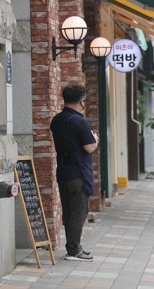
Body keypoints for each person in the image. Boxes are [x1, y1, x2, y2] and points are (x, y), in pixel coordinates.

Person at [50, 85, 99, 262]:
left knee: (69, 211)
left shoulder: (57, 120)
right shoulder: (80, 121)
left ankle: (74, 247)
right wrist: (95, 140)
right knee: (79, 212)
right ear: (82, 100)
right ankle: (73, 250)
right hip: (78, 173)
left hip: (63, 171)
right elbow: (90, 147)